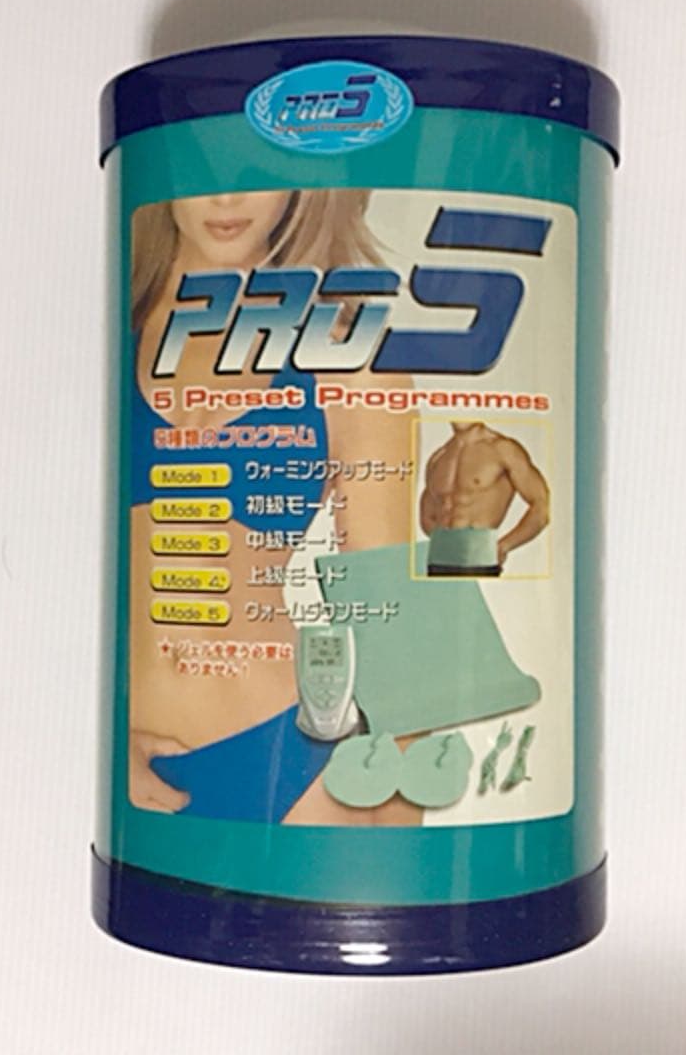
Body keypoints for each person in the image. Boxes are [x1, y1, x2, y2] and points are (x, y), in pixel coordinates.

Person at [129, 188, 420, 826]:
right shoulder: (106, 332)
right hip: (128, 763)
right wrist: (97, 740)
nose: (227, 196)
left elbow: (389, 616)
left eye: (255, 173)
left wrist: (398, 827)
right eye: (209, 169)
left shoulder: (348, 357)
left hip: (289, 760)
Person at [420, 421, 550, 576]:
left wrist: (504, 546)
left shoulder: (503, 449)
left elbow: (542, 506)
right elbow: (427, 515)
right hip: (438, 561)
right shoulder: (438, 457)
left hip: (480, 559)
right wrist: (446, 542)